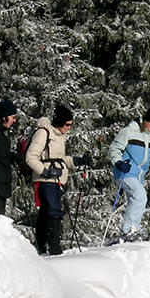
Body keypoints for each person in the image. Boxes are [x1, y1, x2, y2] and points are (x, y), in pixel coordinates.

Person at [25, 104, 91, 256]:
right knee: (53, 211)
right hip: (45, 180)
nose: (69, 128)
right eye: (67, 124)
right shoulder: (43, 133)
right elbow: (30, 157)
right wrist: (45, 172)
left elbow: (59, 159)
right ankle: (54, 248)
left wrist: (77, 161)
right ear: (60, 122)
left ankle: (41, 247)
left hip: (56, 179)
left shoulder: (59, 136)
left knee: (46, 212)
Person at [108, 107, 150, 240]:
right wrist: (119, 162)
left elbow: (149, 158)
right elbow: (114, 149)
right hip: (125, 172)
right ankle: (128, 230)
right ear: (146, 120)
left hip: (139, 175)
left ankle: (132, 229)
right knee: (140, 196)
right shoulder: (130, 131)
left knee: (137, 199)